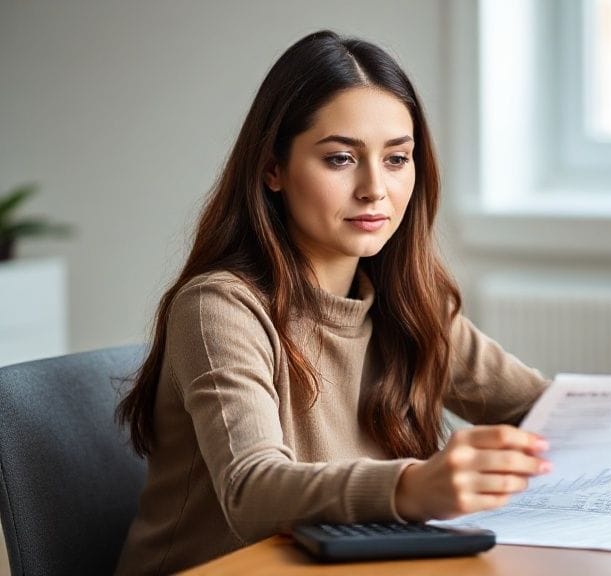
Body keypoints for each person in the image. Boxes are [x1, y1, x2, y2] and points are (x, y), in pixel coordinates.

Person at [114, 30, 550, 575]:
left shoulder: (411, 302)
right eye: (341, 159)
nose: (375, 189)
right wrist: (417, 486)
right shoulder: (219, 308)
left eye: (397, 159)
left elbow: (545, 412)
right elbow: (252, 490)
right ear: (273, 169)